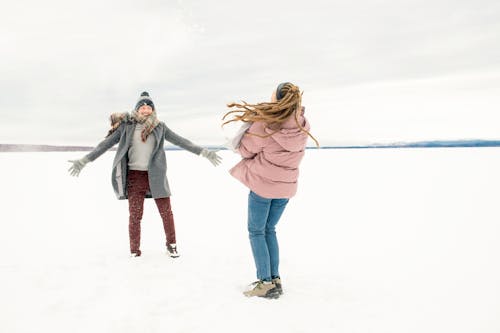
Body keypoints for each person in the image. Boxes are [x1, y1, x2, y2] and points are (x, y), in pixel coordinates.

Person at [68, 91, 222, 258]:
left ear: (153, 110)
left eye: (149, 106)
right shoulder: (127, 127)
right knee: (135, 215)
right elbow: (104, 145)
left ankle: (171, 245)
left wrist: (204, 152)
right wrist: (84, 160)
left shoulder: (160, 127)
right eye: (142, 106)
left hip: (156, 175)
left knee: (166, 213)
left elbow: (182, 141)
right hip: (134, 177)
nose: (146, 108)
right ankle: (134, 250)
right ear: (137, 109)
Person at [223, 82, 318, 298]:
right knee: (270, 230)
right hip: (286, 188)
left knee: (257, 231)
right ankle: (275, 279)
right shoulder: (303, 124)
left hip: (263, 186)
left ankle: (265, 282)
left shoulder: (266, 122)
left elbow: (246, 150)